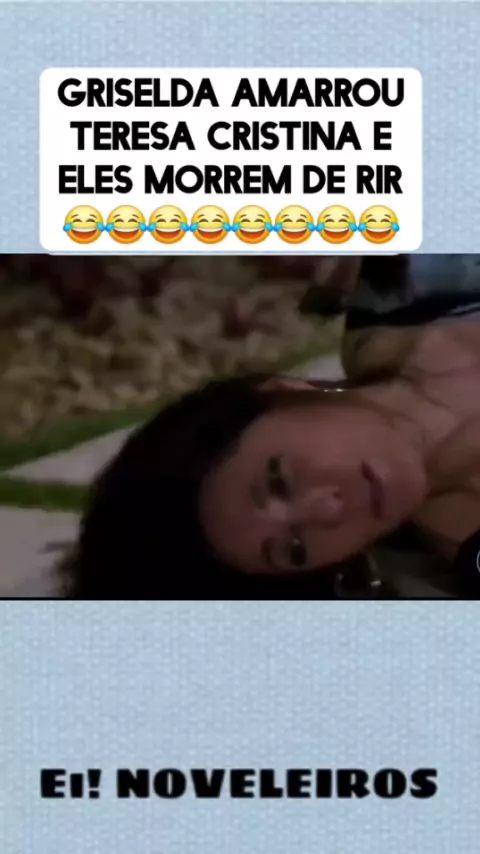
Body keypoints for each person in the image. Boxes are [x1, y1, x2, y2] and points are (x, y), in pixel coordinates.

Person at [62, 255, 480, 599]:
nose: (328, 509)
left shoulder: (420, 272)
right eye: (296, 550)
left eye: (280, 481)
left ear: (280, 388)